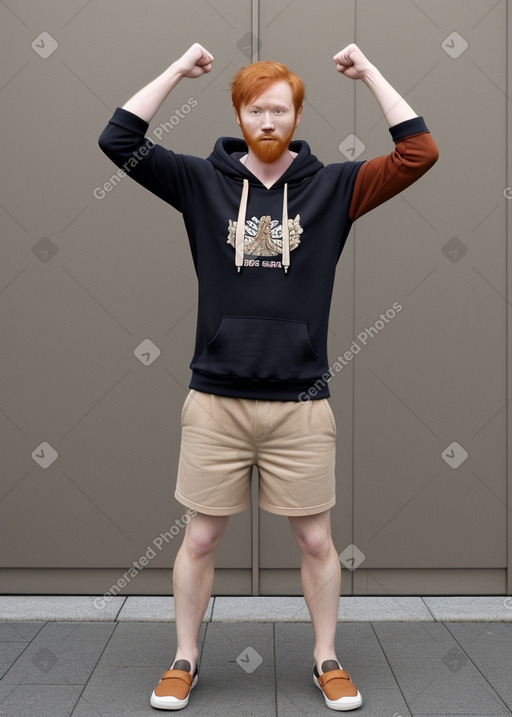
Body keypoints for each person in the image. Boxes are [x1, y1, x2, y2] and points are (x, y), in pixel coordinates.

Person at [99, 42, 438, 711]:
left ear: (297, 116)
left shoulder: (336, 187)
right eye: (256, 109)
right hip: (216, 399)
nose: (268, 120)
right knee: (199, 534)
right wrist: (174, 70)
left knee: (315, 536)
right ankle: (184, 657)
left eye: (280, 109)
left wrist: (370, 71)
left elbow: (418, 152)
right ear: (240, 113)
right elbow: (119, 138)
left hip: (301, 402)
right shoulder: (200, 183)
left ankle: (327, 657)